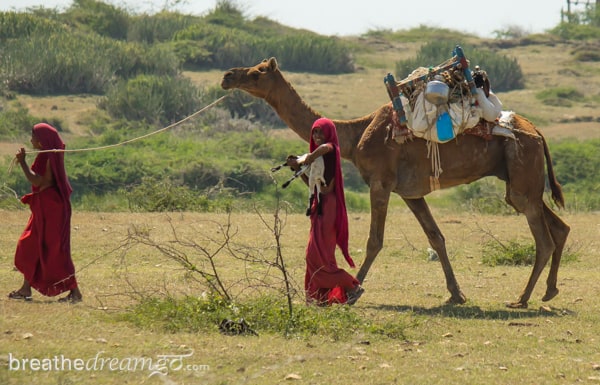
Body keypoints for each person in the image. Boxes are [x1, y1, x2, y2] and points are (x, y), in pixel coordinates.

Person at [287, 118, 364, 306]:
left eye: (321, 132)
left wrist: (306, 158)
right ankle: (319, 299)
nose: (317, 136)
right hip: (319, 205)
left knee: (316, 257)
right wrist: (299, 169)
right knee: (319, 256)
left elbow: (325, 148)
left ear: (329, 133)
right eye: (315, 133)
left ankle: (351, 286)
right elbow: (314, 186)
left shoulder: (330, 150)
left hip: (328, 208)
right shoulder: (318, 160)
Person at [8, 123, 82, 303]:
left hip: (52, 210)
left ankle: (75, 292)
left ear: (41, 141)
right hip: (43, 207)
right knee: (30, 245)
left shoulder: (49, 158)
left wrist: (24, 162)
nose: (30, 139)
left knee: (55, 251)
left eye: (33, 136)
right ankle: (26, 289)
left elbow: (38, 180)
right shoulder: (45, 155)